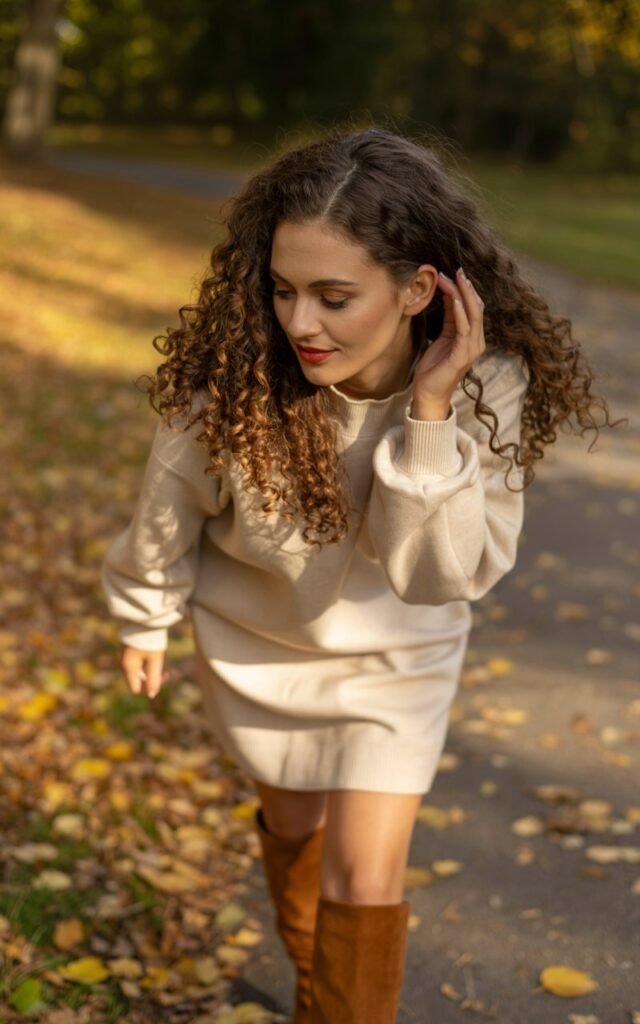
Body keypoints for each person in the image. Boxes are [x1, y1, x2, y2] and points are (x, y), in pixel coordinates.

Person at [100, 125, 619, 1023]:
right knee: (295, 832)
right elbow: (167, 507)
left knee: (366, 879)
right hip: (260, 651)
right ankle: (317, 990)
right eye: (284, 290)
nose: (300, 323)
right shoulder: (239, 380)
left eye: (334, 297)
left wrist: (430, 413)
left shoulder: (486, 385)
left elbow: (440, 576)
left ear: (418, 289)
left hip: (400, 660)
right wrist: (146, 613)